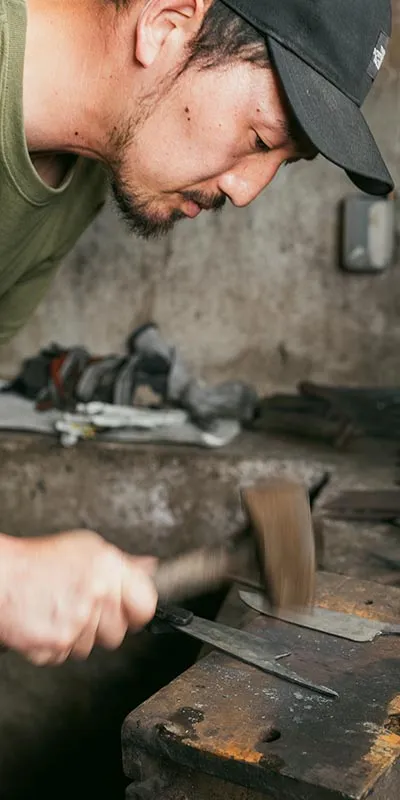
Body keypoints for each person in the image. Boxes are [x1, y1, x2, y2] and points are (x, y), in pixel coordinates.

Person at [0, 0, 394, 665]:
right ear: (167, 21)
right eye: (263, 139)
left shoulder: (77, 181)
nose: (246, 190)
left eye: (282, 163)